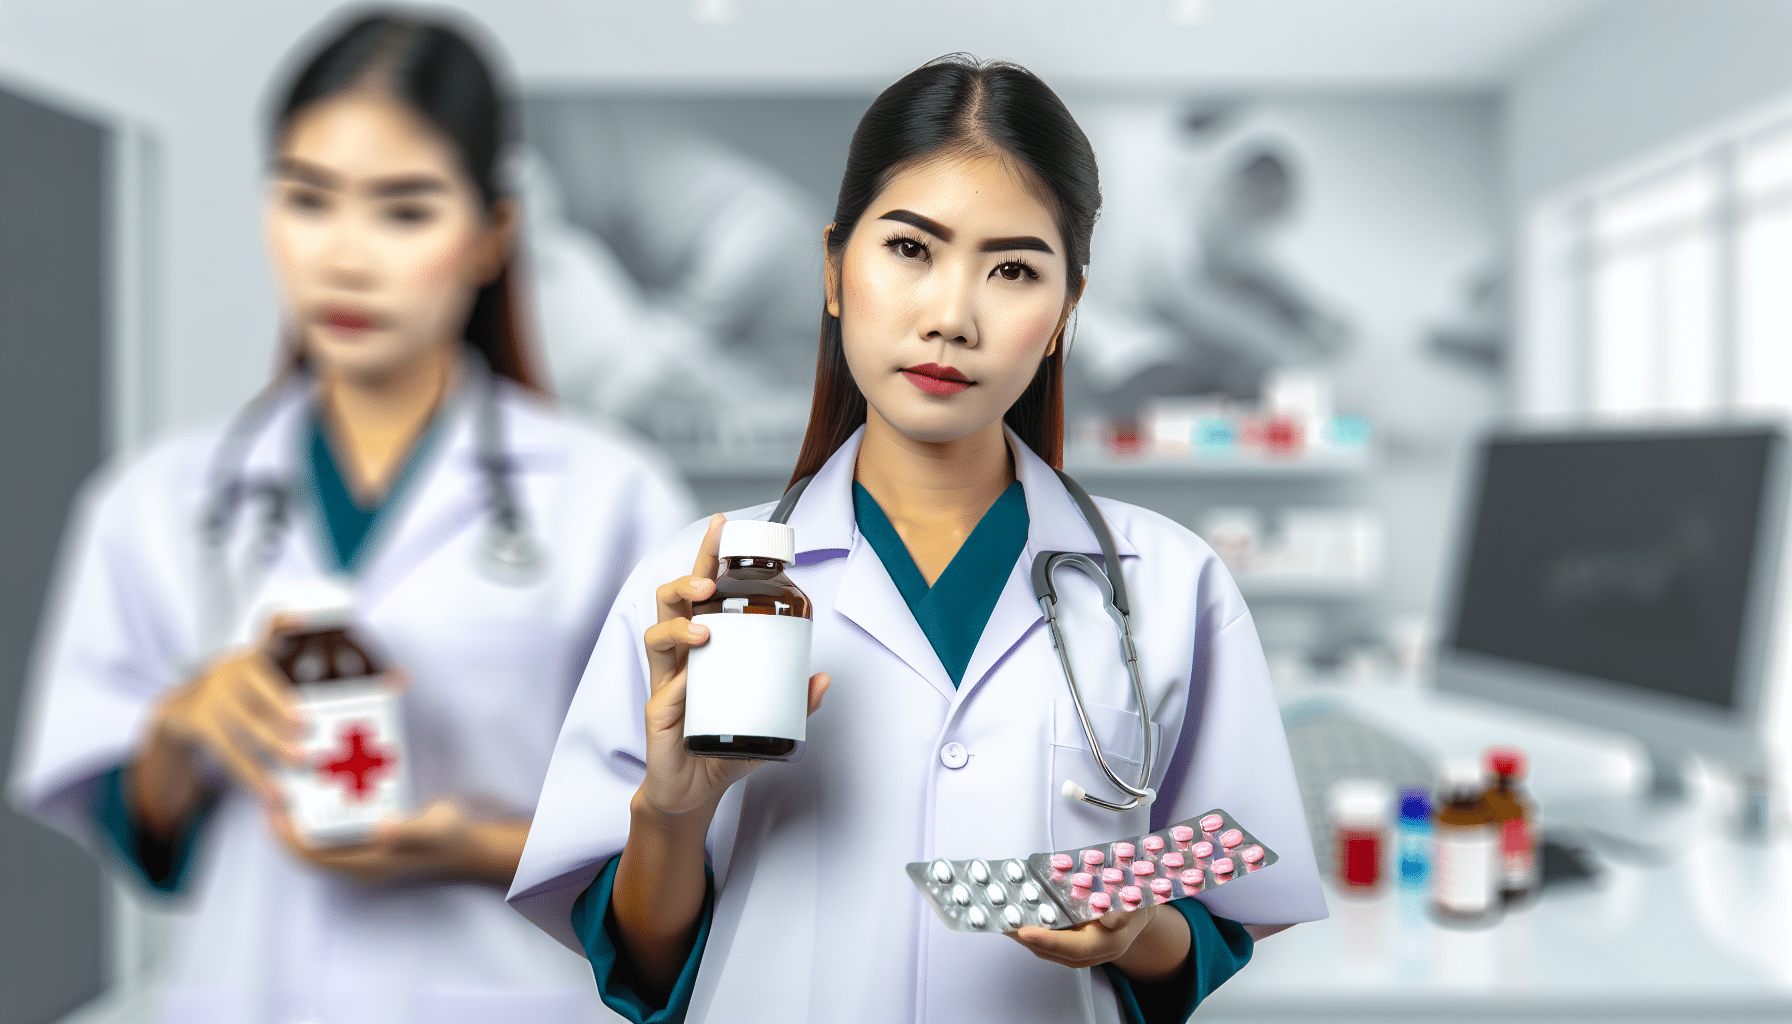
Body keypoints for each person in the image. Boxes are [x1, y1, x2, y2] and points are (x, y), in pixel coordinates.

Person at [509, 55, 1326, 1024]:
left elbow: (1221, 923)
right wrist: (675, 807)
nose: (951, 315)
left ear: (1064, 311)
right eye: (909, 250)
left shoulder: (1170, 583)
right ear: (832, 269)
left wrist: (1138, 924)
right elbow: (640, 963)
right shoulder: (690, 583)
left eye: (1013, 269)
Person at [9, 9, 692, 1022]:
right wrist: (180, 731)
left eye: (403, 210)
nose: (345, 256)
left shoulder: (613, 499)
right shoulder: (156, 500)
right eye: (308, 199)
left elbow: (675, 847)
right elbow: (143, 845)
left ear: (491, 234)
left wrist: (477, 845)